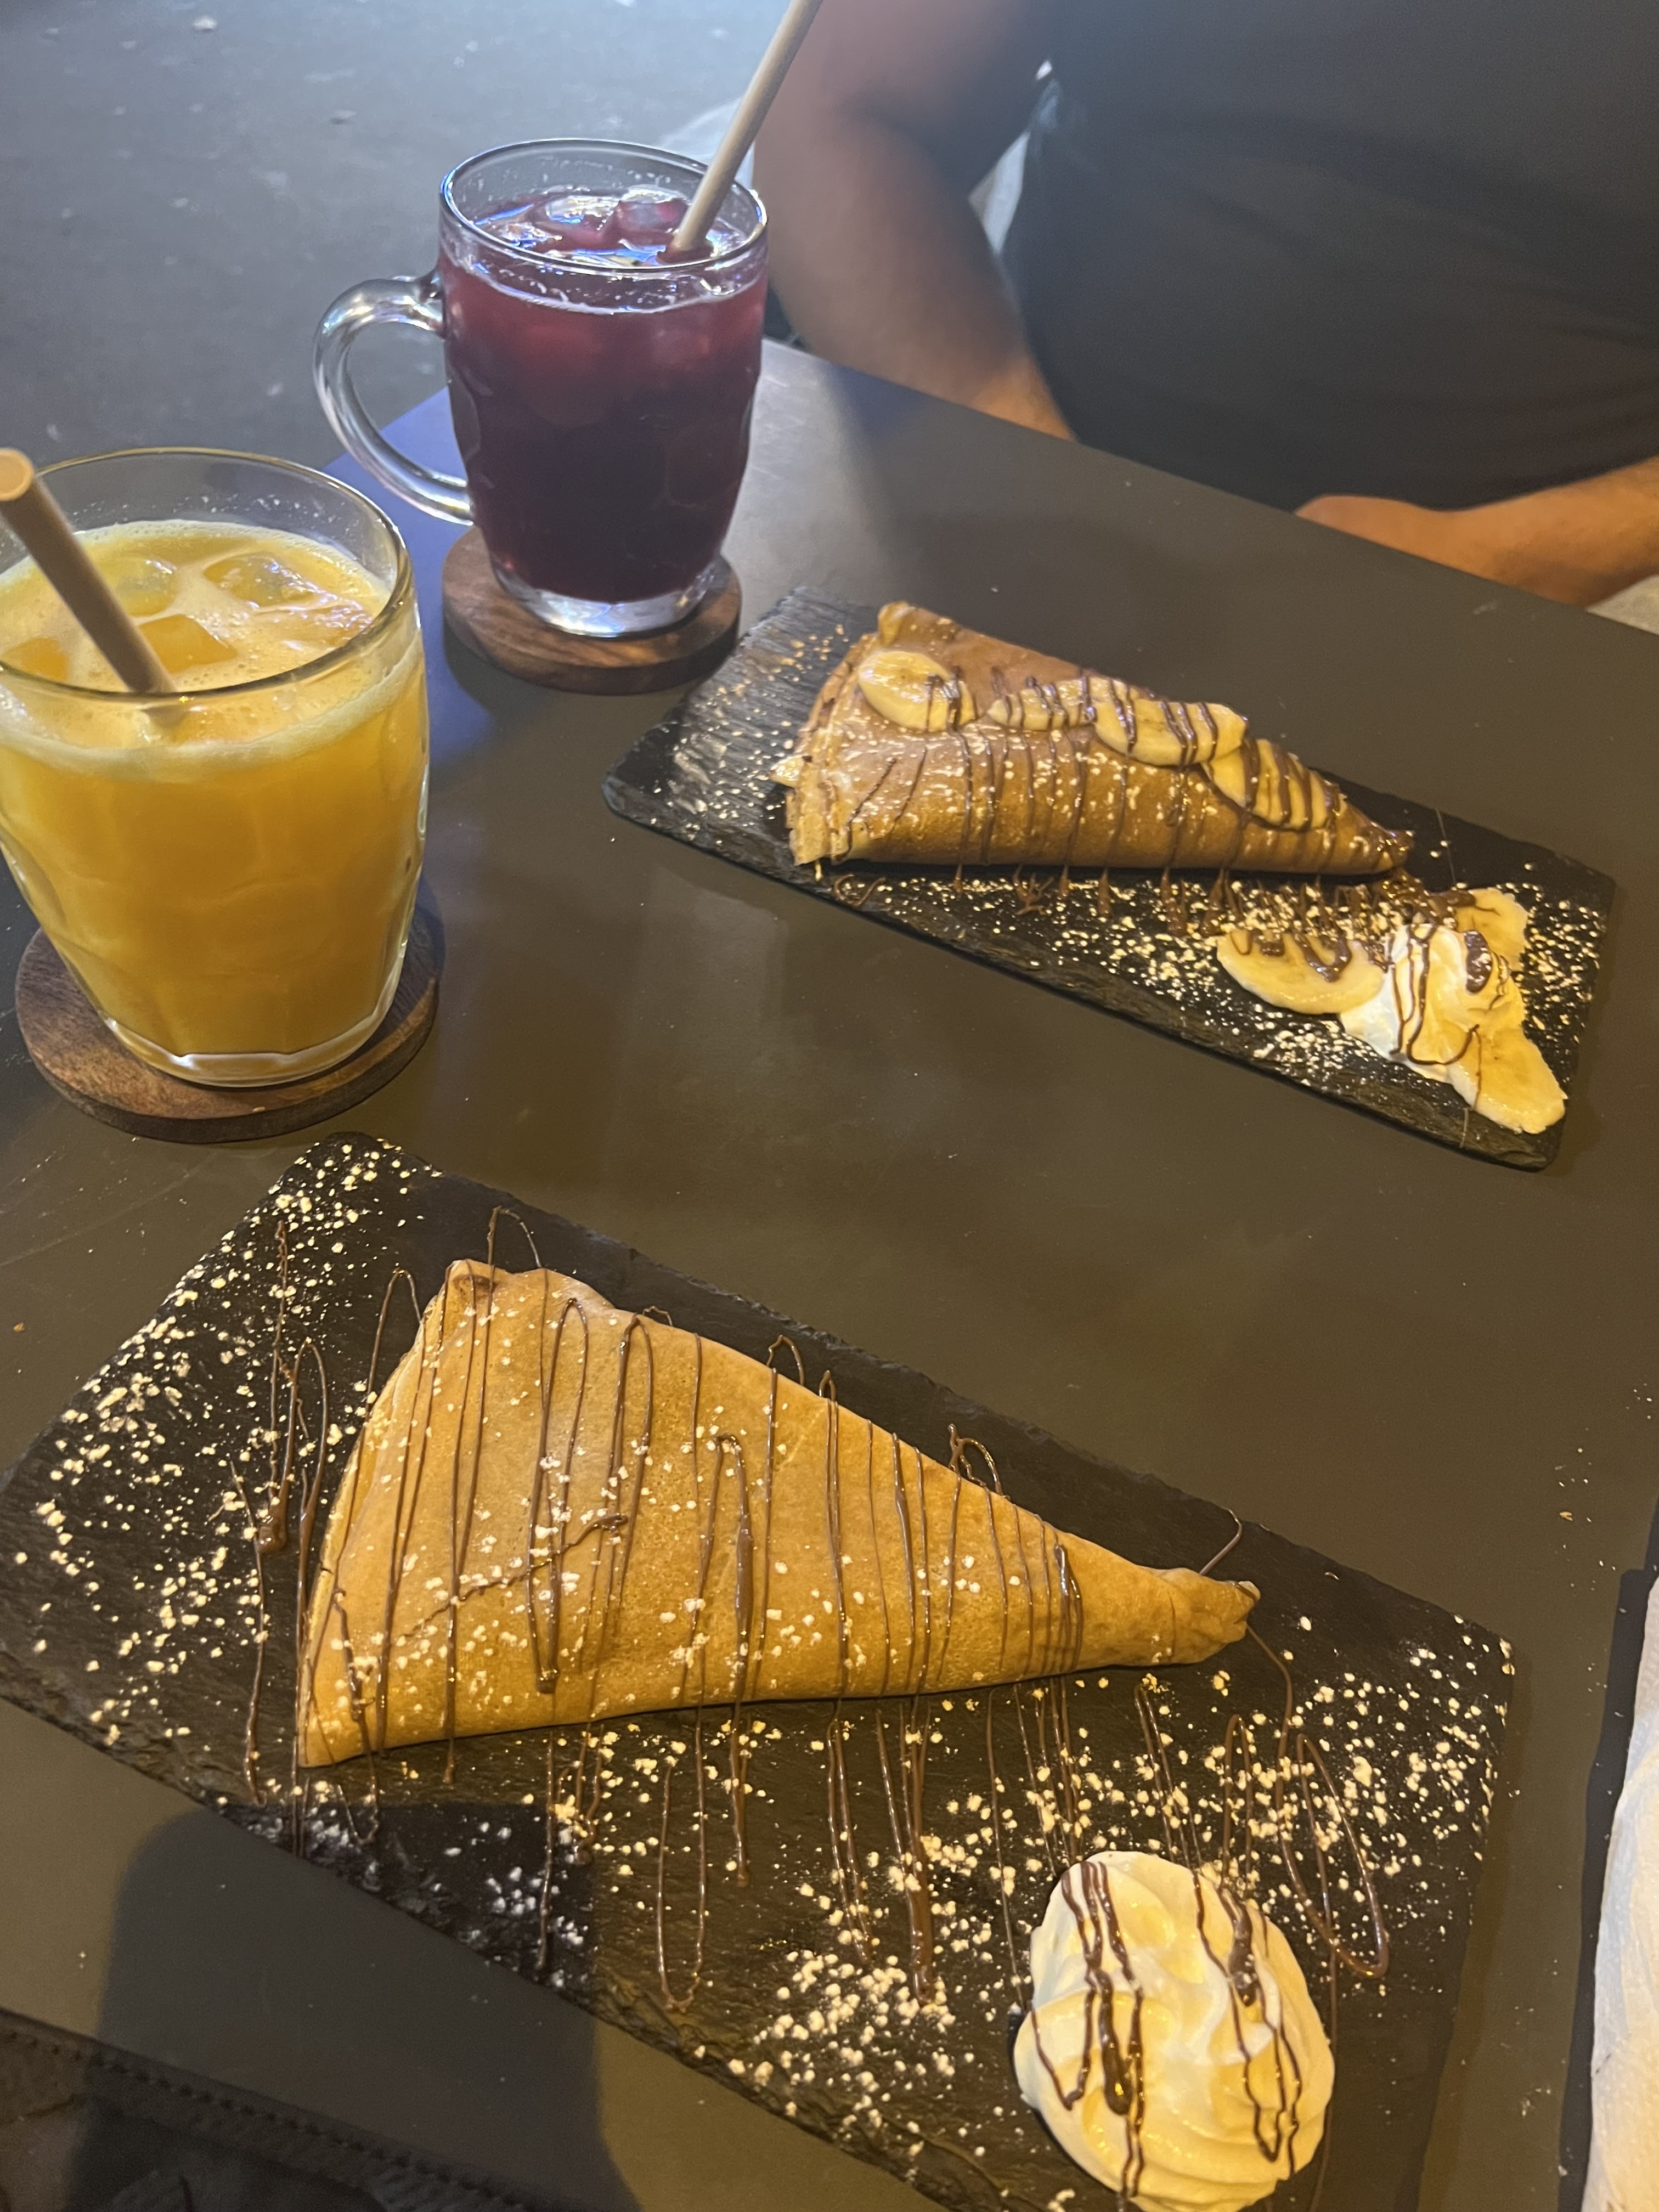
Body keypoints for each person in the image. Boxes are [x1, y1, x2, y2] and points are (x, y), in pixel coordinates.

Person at [754, 0, 1659, 606]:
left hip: (1566, 582)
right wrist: (1030, 481)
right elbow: (840, 114)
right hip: (1012, 458)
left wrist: (1536, 552)